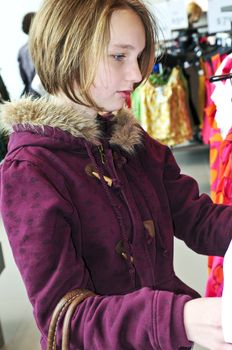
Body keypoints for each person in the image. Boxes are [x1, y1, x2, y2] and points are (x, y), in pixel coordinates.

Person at [0, 1, 232, 349]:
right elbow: (64, 319)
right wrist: (178, 318)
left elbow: (197, 219)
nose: (138, 75)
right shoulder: (31, 171)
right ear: (68, 50)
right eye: (119, 56)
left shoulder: (136, 145)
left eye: (139, 57)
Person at [17, 12, 40, 97]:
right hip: (46, 94)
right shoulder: (44, 46)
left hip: (31, 94)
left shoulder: (21, 51)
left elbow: (24, 79)